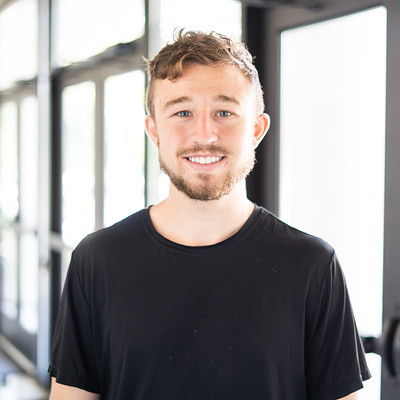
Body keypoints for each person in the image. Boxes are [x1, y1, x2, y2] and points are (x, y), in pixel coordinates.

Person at [48, 30, 371, 400]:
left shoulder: (313, 264)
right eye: (182, 112)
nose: (205, 134)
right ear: (154, 132)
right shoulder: (98, 260)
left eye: (225, 112)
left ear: (256, 130)